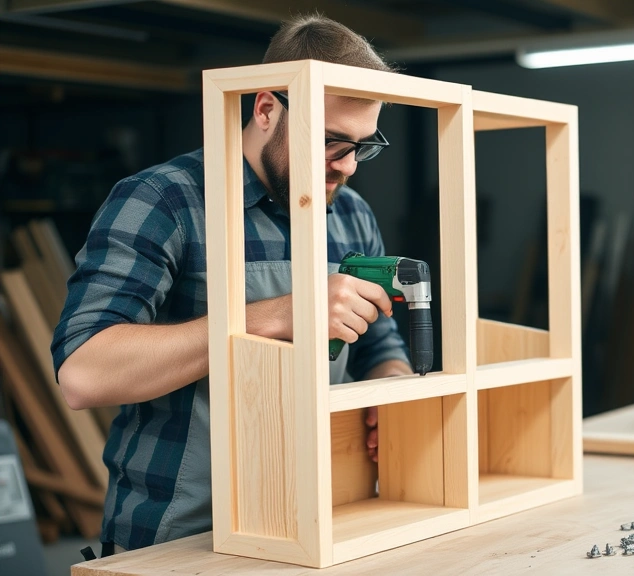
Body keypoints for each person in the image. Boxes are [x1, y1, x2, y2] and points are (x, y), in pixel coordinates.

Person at [50, 14, 412, 555]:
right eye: (334, 142)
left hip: (315, 523)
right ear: (266, 109)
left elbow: (381, 345)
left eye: (365, 145)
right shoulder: (164, 202)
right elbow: (84, 371)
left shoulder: (351, 215)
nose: (350, 166)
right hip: (180, 536)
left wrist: (392, 391)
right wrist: (276, 314)